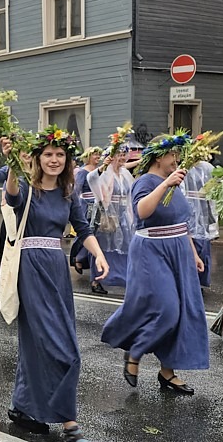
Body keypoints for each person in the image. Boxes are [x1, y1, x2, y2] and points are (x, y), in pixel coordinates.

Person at [1, 126, 108, 442]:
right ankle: (71, 429)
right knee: (63, 350)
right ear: (37, 158)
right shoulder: (27, 188)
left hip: (56, 270)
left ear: (67, 159)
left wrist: (99, 254)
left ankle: (22, 406)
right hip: (31, 269)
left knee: (37, 344)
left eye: (60, 154)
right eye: (48, 154)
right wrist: (13, 166)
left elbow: (83, 227)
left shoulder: (68, 193)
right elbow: (12, 197)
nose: (54, 159)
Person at [101, 133, 209, 395]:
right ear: (160, 156)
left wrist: (192, 252)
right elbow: (142, 211)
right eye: (174, 155)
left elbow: (180, 221)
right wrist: (166, 184)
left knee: (182, 311)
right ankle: (134, 353)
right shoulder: (146, 181)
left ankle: (167, 373)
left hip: (178, 250)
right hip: (152, 250)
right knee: (167, 309)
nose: (177, 160)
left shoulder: (174, 181)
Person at [85, 144, 135, 294]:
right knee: (102, 245)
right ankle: (97, 279)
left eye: (123, 155)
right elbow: (91, 178)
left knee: (124, 244)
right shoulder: (105, 172)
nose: (121, 158)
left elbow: (130, 193)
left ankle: (122, 277)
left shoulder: (125, 173)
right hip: (106, 216)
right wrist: (102, 168)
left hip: (123, 215)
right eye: (118, 155)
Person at [183, 159, 218, 287]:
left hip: (203, 209)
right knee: (193, 243)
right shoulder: (185, 168)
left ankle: (202, 279)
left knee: (204, 245)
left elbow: (218, 179)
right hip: (190, 210)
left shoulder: (206, 167)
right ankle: (193, 280)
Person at [70, 146, 103, 276]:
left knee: (95, 232)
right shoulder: (83, 172)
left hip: (97, 204)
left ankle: (86, 259)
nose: (97, 157)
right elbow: (77, 190)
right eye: (95, 155)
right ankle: (77, 256)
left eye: (98, 155)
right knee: (85, 230)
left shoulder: (99, 171)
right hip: (86, 204)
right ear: (88, 157)